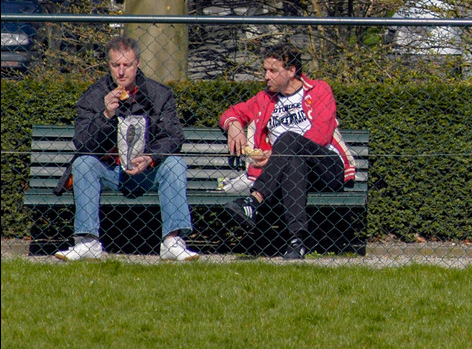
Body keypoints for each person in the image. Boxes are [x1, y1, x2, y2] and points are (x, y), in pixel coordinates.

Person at [56, 37, 199, 261]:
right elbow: (82, 143)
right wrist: (105, 116)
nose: (121, 72)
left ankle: (173, 241)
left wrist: (150, 157)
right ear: (109, 65)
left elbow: (173, 136)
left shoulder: (158, 94)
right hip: (110, 170)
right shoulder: (94, 96)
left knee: (175, 162)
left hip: (147, 171)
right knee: (83, 163)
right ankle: (87, 241)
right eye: (116, 65)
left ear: (138, 63)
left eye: (127, 65)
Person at [220, 45, 355, 260]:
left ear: (291, 71)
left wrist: (274, 156)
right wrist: (234, 125)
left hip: (326, 166)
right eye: (265, 70)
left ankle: (254, 200)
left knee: (289, 140)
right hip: (292, 170)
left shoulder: (319, 89)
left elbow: (320, 134)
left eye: (273, 71)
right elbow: (232, 112)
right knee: (294, 163)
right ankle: (296, 241)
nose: (266, 76)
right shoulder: (265, 99)